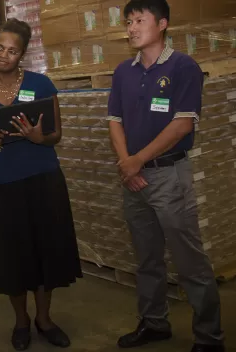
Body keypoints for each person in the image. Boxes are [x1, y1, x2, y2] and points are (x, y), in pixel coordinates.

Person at [107, 1, 224, 351]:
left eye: (139, 20)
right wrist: (128, 163)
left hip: (170, 175)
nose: (131, 27)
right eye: (128, 21)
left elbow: (182, 124)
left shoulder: (183, 67)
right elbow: (115, 121)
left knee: (190, 262)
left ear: (162, 24)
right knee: (147, 258)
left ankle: (209, 338)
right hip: (134, 179)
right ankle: (154, 322)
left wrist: (136, 161)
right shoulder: (123, 71)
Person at [0, 18, 82, 351]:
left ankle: (44, 318)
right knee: (12, 257)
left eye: (11, 51)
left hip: (43, 179)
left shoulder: (41, 85)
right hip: (2, 185)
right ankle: (21, 320)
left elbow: (56, 135)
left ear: (22, 55)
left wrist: (38, 137)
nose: (3, 55)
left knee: (44, 252)